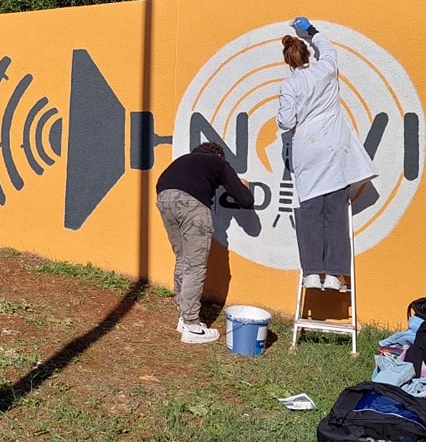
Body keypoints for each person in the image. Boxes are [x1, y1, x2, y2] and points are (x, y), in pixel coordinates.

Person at [277, 17, 377, 291]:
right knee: (335, 212)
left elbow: (285, 122)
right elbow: (328, 47)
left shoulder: (290, 85)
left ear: (288, 61)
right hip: (334, 148)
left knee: (310, 211)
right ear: (309, 54)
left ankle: (311, 273)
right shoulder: (326, 70)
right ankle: (334, 275)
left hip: (307, 149)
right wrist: (310, 31)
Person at [156, 141, 253, 344]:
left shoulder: (185, 160)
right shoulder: (217, 162)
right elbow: (245, 200)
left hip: (164, 198)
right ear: (219, 155)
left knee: (182, 258)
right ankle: (191, 326)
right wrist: (244, 187)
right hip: (192, 204)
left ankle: (183, 316)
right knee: (195, 264)